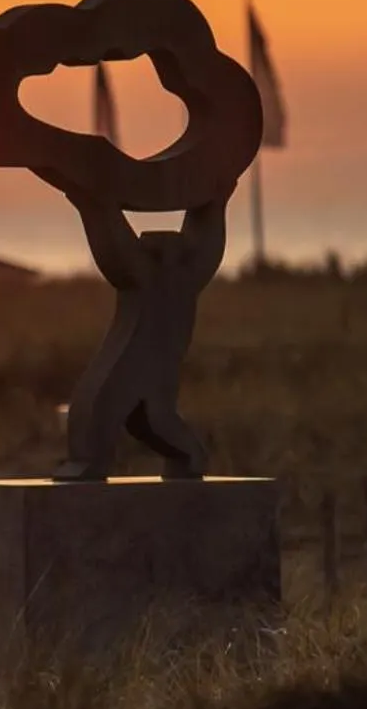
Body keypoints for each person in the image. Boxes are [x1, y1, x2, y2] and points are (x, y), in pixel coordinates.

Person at [35, 170, 231, 479]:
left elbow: (207, 246)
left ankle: (185, 458)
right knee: (96, 412)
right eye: (156, 253)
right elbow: (116, 244)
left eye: (170, 253)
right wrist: (93, 204)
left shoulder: (181, 278)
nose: (165, 258)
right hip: (135, 361)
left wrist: (216, 203)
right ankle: (92, 462)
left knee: (147, 419)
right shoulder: (157, 275)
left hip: (153, 367)